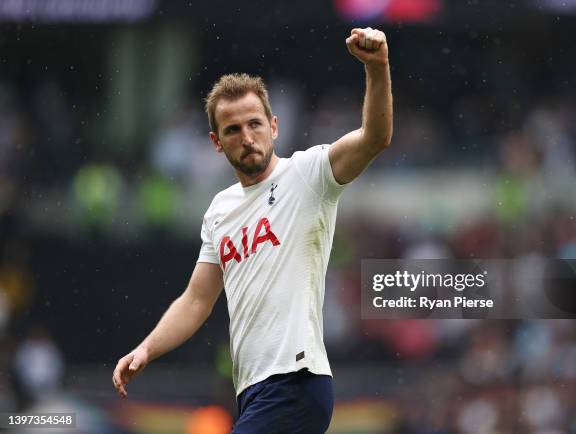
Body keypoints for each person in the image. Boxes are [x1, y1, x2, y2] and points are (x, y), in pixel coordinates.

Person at [112, 27, 393, 433]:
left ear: (274, 126)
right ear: (215, 141)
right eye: (232, 130)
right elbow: (196, 299)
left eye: (254, 124)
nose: (247, 137)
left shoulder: (308, 174)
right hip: (252, 391)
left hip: (296, 379)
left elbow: (375, 138)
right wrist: (146, 349)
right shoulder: (220, 211)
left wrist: (378, 67)